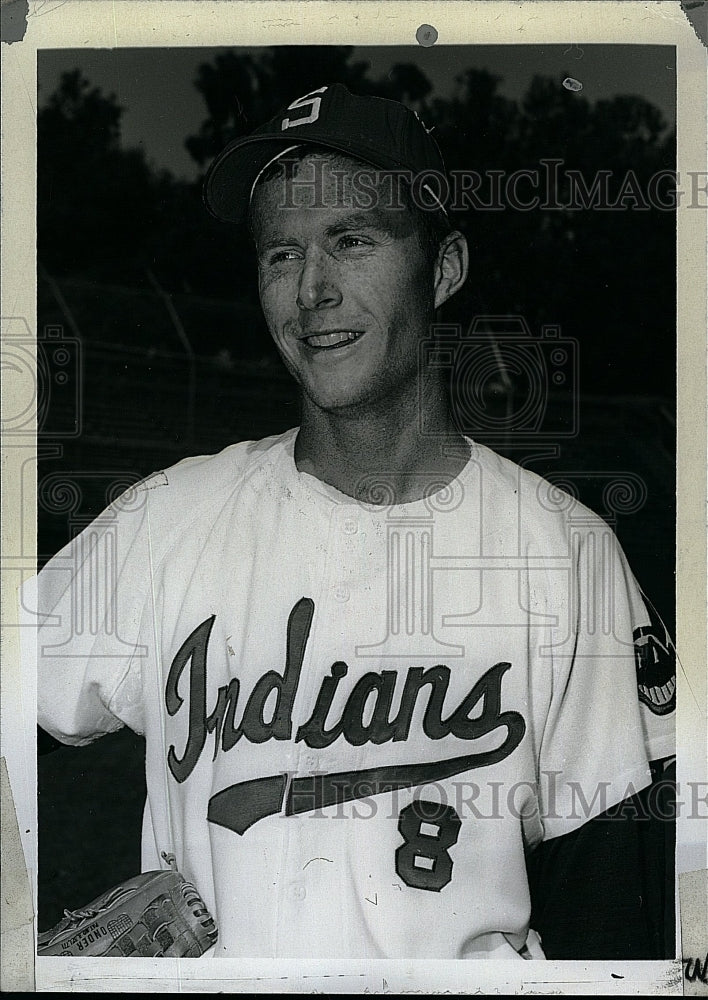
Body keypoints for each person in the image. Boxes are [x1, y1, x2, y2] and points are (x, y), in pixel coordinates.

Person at [36, 84, 676, 960]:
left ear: (444, 267)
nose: (312, 291)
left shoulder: (563, 556)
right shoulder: (169, 518)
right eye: (279, 256)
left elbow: (617, 914)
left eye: (353, 240)